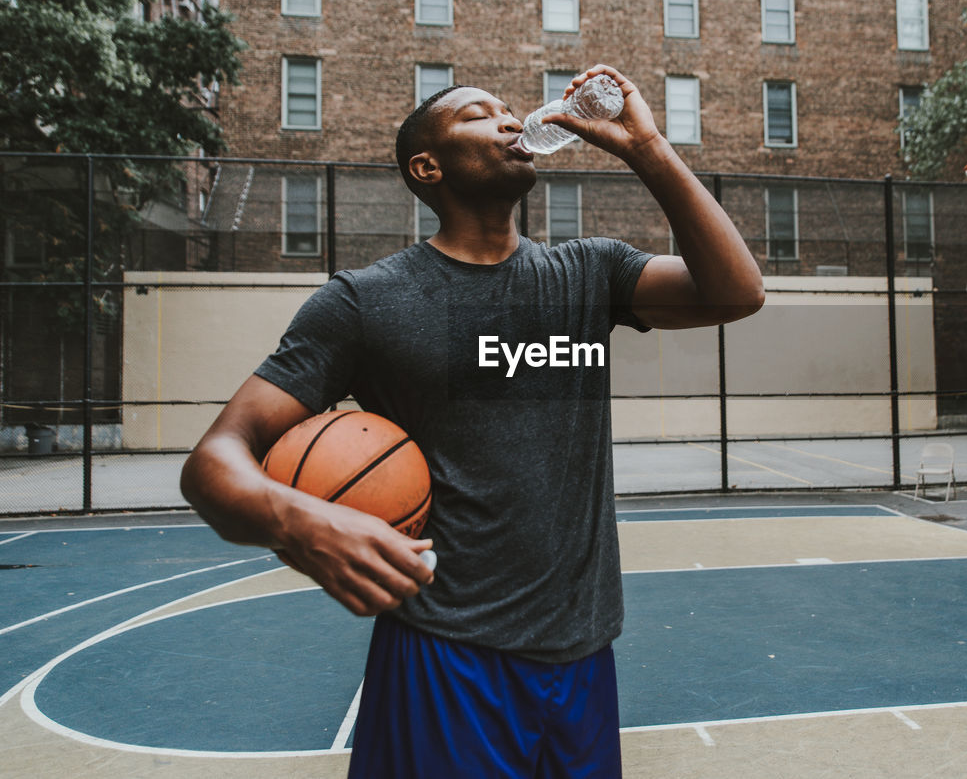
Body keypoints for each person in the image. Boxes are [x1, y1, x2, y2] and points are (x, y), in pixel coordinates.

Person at [180, 64, 764, 778]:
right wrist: (299, 520)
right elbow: (214, 459)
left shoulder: (589, 275)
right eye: (479, 115)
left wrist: (643, 144)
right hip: (447, 654)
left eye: (511, 109)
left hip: (583, 652)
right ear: (428, 166)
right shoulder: (366, 303)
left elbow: (737, 290)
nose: (511, 120)